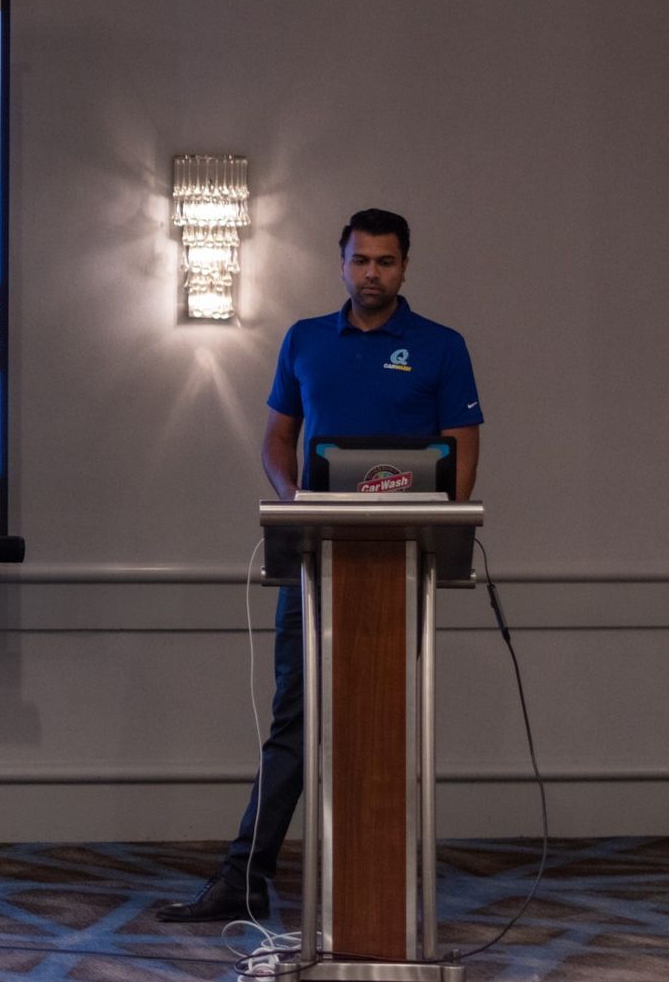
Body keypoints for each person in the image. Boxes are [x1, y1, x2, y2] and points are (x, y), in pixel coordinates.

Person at [156, 208, 482, 923]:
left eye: (386, 262)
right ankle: (244, 877)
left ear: (405, 267)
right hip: (316, 562)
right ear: (342, 264)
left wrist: (433, 523)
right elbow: (278, 440)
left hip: (400, 568)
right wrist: (297, 501)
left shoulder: (440, 347)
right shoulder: (305, 340)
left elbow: (461, 452)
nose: (372, 273)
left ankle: (385, 886)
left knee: (386, 722)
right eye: (361, 260)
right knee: (293, 723)